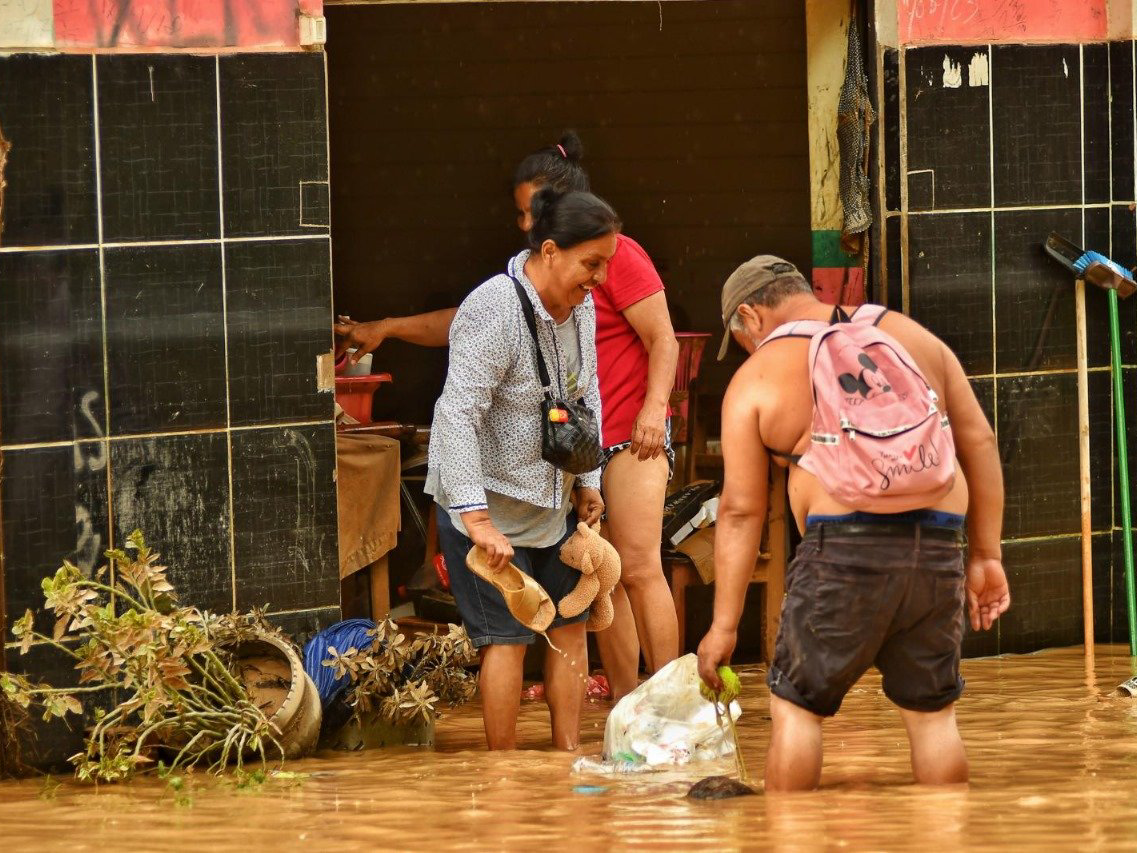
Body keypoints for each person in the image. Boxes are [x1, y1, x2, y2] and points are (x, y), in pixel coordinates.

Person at [335, 132, 679, 699]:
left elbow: (662, 337)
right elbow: (473, 326)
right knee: (603, 583)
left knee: (638, 567)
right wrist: (389, 328)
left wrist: (652, 412)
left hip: (626, 437)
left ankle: (671, 700)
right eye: (522, 214)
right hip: (574, 450)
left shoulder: (614, 255)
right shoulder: (525, 282)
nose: (528, 224)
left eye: (537, 209)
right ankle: (628, 704)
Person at [696, 255, 1011, 790]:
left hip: (842, 552)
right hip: (937, 544)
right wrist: (986, 554)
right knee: (933, 718)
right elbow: (978, 440)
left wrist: (723, 627)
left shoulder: (758, 374)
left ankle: (787, 836)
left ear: (750, 317)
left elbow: (741, 511)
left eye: (742, 336)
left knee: (796, 711)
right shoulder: (905, 333)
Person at [425, 188, 619, 750]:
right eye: (591, 264)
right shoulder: (493, 305)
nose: (599, 279)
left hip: (552, 505)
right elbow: (456, 413)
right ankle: (503, 772)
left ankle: (568, 756)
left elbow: (590, 395)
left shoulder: (581, 307)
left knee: (569, 627)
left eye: (605, 264)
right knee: (506, 639)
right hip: (485, 509)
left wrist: (588, 481)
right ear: (551, 251)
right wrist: (478, 521)